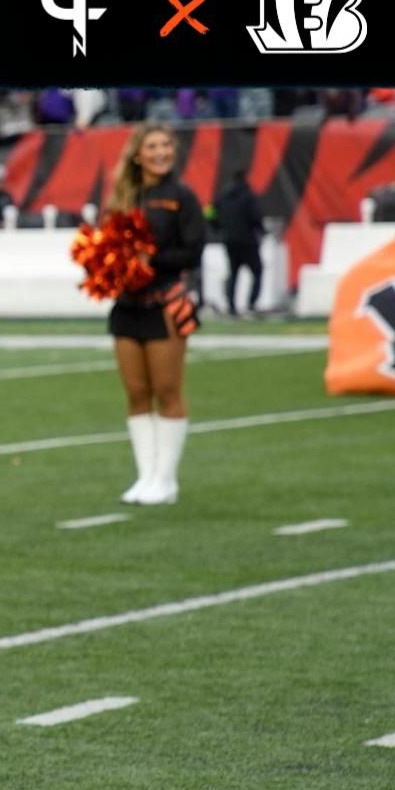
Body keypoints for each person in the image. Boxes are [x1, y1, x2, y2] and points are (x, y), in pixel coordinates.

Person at [106, 123, 205, 506]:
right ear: (137, 154)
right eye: (153, 146)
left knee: (167, 390)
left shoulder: (182, 197)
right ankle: (145, 476)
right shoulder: (123, 198)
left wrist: (152, 260)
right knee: (136, 393)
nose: (161, 152)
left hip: (165, 302)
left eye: (166, 145)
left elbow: (193, 252)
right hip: (126, 307)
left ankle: (166, 480)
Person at [216, 169, 265, 317]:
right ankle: (251, 304)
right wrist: (262, 231)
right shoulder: (248, 196)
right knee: (257, 271)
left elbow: (209, 211)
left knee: (233, 273)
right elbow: (255, 216)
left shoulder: (222, 195)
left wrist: (217, 226)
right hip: (248, 241)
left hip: (229, 240)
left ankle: (231, 306)